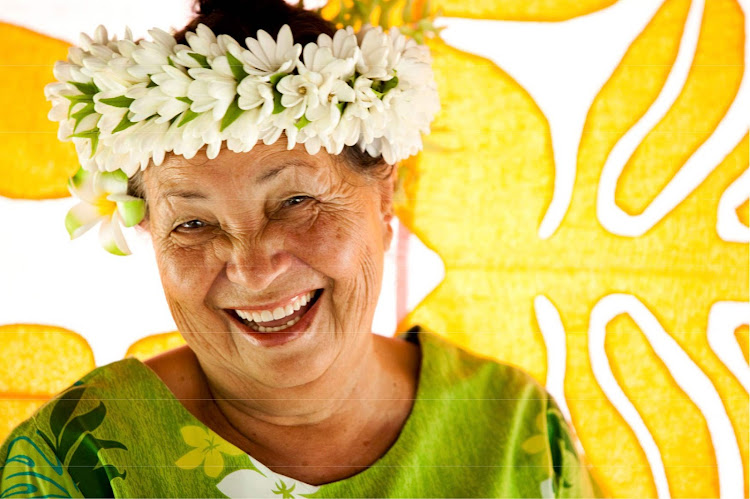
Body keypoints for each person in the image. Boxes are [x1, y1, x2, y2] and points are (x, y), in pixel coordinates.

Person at [0, 0, 604, 497]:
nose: (252, 267)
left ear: (385, 193)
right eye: (192, 224)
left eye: (294, 202)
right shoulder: (77, 460)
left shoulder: (515, 431)